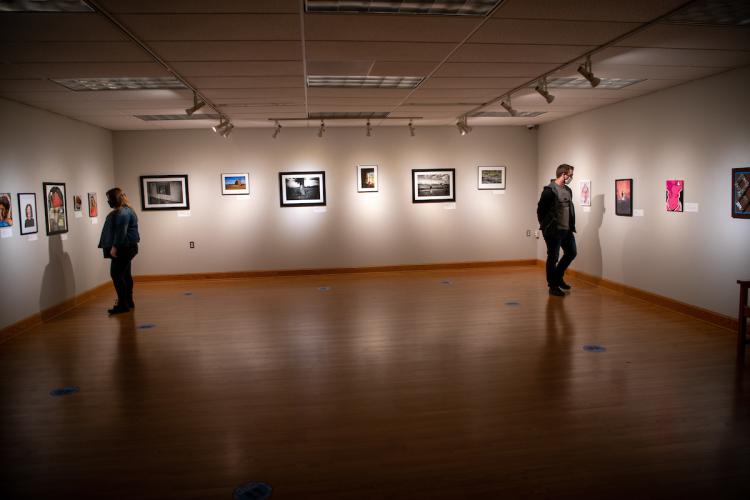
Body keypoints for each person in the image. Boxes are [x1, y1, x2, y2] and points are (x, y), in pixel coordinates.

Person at [537, 164, 577, 297]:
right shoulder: (549, 191)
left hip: (566, 229)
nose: (571, 177)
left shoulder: (568, 190)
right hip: (553, 230)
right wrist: (546, 227)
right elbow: (540, 211)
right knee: (553, 257)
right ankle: (552, 286)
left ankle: (558, 277)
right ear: (563, 174)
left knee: (571, 252)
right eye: (570, 175)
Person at [98, 188, 140, 315]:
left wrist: (115, 247)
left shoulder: (123, 213)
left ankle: (123, 304)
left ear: (114, 199)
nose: (108, 202)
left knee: (116, 274)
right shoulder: (126, 211)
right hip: (128, 248)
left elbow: (121, 232)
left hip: (123, 248)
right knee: (125, 274)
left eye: (109, 199)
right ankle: (128, 301)